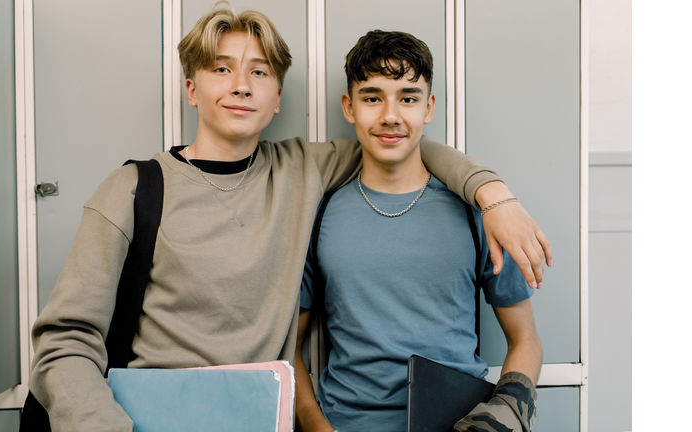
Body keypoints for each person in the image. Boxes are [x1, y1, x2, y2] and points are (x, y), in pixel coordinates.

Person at [28, 4, 548, 431]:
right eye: (220, 68)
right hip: (152, 418)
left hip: (262, 420)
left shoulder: (303, 171)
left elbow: (407, 145)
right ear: (192, 89)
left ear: (277, 97)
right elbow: (64, 340)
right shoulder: (132, 189)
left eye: (259, 71)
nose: (241, 85)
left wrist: (492, 195)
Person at [294, 30, 543, 432]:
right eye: (372, 97)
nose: (390, 115)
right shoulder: (320, 214)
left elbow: (526, 339)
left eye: (408, 98)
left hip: (458, 422)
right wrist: (316, 426)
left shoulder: (479, 213)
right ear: (349, 106)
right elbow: (292, 348)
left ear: (428, 108)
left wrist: (508, 409)